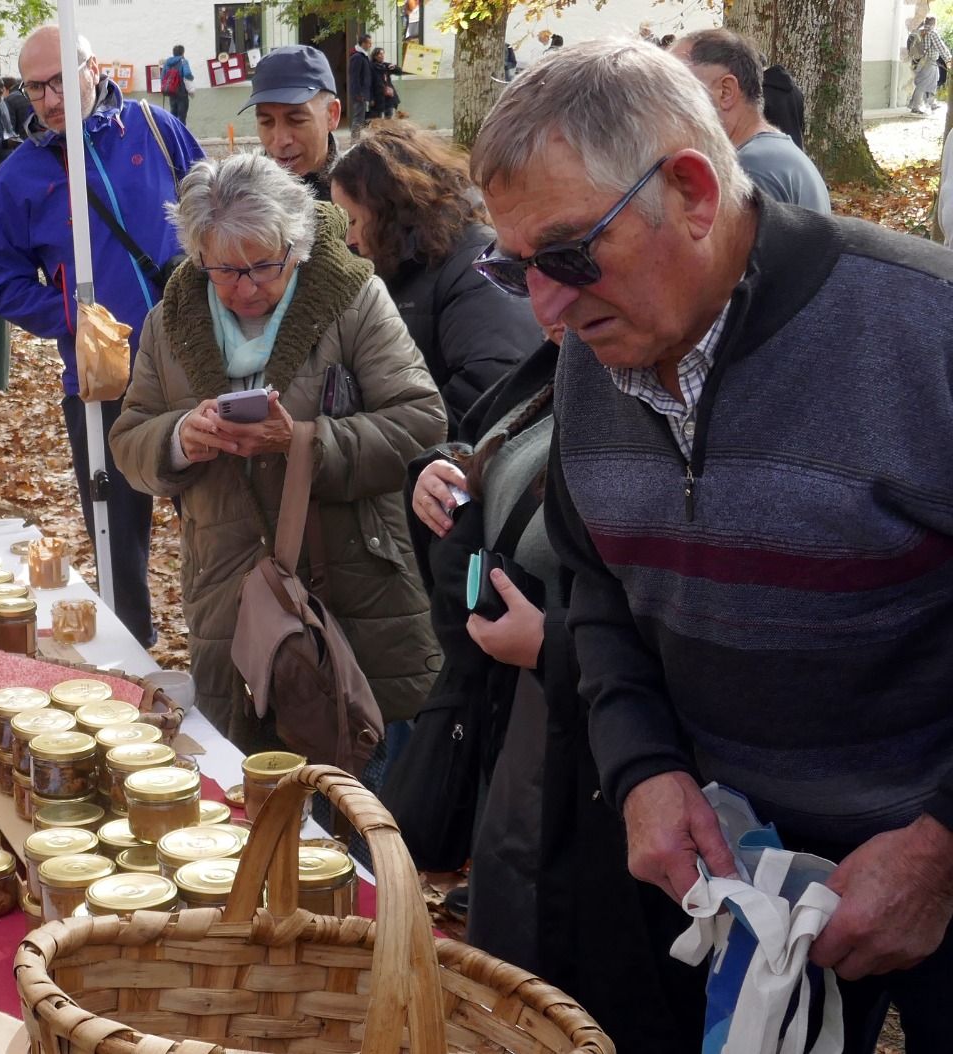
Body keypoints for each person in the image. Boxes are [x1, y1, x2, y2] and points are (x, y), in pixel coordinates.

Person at [472, 36, 953, 1054]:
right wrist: (643, 766)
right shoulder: (594, 352)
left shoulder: (926, 330)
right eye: (514, 268)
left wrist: (944, 848)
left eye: (567, 254)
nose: (546, 311)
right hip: (735, 873)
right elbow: (599, 589)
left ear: (692, 192)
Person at [403, 326, 706, 1052]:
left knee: (601, 1004)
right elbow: (487, 452)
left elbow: (687, 627)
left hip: (612, 779)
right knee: (520, 981)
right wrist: (439, 475)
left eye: (566, 271)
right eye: (522, 275)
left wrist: (554, 645)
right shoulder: (566, 366)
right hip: (524, 743)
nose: (544, 304)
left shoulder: (678, 397)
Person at [110, 152, 445, 756]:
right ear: (198, 255)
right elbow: (129, 439)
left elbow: (420, 424)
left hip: (351, 587)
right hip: (225, 587)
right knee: (248, 773)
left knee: (358, 765)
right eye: (223, 271)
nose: (245, 288)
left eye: (264, 266)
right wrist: (179, 439)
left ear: (297, 246)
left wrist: (302, 442)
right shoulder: (169, 323)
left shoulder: (353, 299)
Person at [0, 25, 204, 649]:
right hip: (101, 382)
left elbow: (218, 215)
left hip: (192, 366)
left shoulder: (156, 129)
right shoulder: (19, 176)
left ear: (93, 67)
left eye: (60, 80)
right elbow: (3, 284)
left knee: (215, 522)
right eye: (34, 88)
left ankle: (227, 652)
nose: (49, 100)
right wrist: (74, 316)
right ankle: (132, 658)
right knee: (116, 539)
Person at [329, 124, 539, 431]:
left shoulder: (471, 266)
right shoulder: (400, 261)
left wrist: (392, 441)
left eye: (352, 221)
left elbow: (489, 386)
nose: (348, 239)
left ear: (388, 209)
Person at [670, 29, 830, 213]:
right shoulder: (771, 154)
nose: (668, 103)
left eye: (678, 88)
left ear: (726, 92)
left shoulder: (752, 168)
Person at [243, 45, 342, 201]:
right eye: (266, 122)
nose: (281, 141)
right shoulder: (241, 197)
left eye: (296, 120)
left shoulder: (363, 196)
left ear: (332, 115)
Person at [908, 16, 950, 115]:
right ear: (934, 23)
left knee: (932, 82)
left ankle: (932, 103)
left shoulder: (919, 31)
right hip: (929, 61)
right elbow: (941, 47)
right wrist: (948, 58)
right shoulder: (932, 33)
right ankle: (915, 106)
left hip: (920, 61)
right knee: (923, 84)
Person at [762, 61, 806, 148]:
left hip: (773, 149)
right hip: (795, 149)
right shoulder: (796, 91)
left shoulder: (761, 94)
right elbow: (801, 126)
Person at [160, 45, 195, 127]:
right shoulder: (183, 61)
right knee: (182, 116)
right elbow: (187, 74)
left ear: (173, 53)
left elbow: (162, 77)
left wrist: (168, 86)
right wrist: (192, 78)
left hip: (171, 92)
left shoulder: (167, 62)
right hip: (182, 92)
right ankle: (181, 133)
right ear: (183, 52)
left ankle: (173, 132)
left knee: (173, 115)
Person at [348, 34, 374, 137]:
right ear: (363, 43)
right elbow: (354, 77)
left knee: (361, 117)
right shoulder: (357, 57)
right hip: (359, 94)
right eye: (369, 43)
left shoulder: (364, 56)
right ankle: (354, 141)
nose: (370, 45)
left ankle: (356, 139)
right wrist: (358, 93)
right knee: (358, 118)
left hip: (363, 93)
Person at [371, 47, 400, 119]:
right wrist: (371, 98)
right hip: (378, 95)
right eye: (380, 54)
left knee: (389, 116)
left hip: (388, 95)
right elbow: (369, 84)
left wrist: (395, 67)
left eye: (383, 54)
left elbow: (399, 72)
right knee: (378, 118)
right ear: (375, 56)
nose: (382, 56)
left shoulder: (386, 65)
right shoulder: (371, 67)